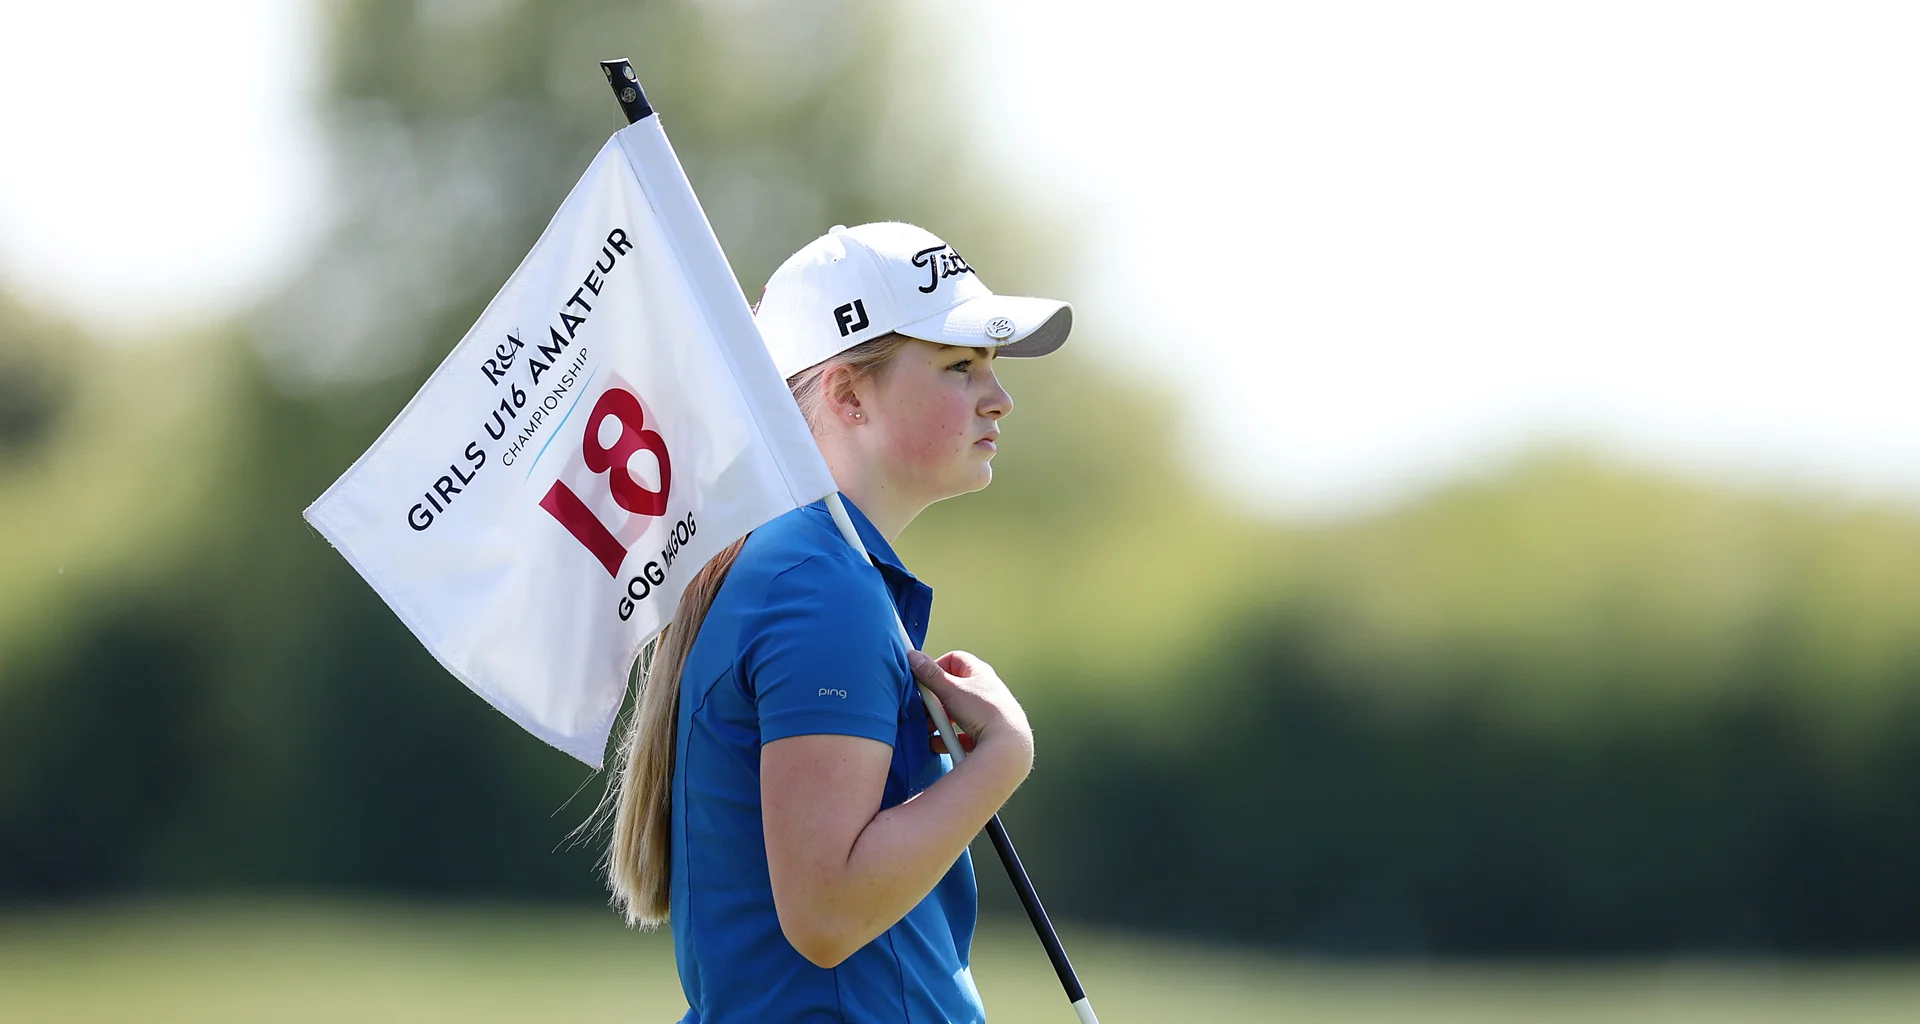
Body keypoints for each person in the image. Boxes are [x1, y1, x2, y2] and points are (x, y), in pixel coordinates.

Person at [600, 222, 1073, 1023]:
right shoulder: (819, 586)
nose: (999, 397)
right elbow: (827, 915)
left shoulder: (807, 567)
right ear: (848, 395)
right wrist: (1004, 757)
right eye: (960, 367)